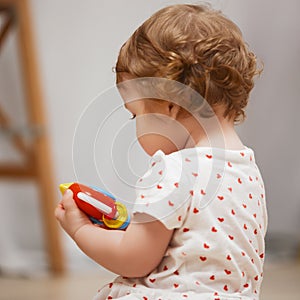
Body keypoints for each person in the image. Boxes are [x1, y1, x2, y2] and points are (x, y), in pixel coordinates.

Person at [55, 4, 267, 300]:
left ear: (170, 106)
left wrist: (79, 229)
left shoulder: (175, 169)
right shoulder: (248, 171)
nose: (135, 126)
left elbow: (134, 259)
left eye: (135, 114)